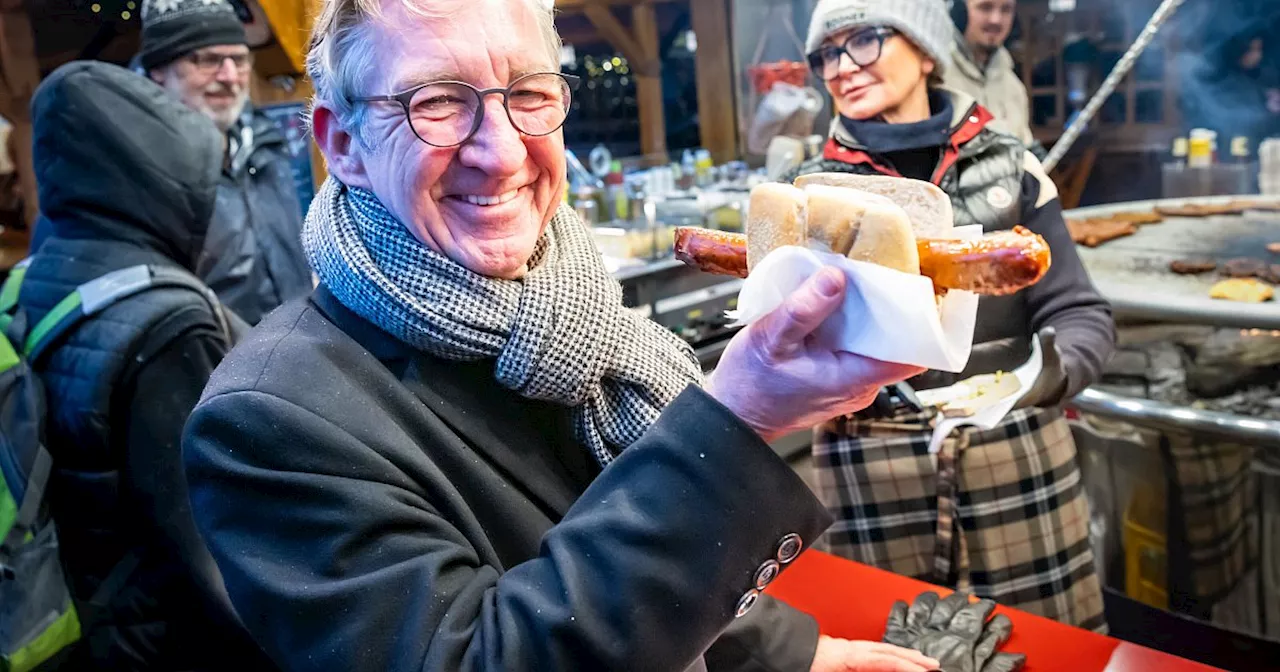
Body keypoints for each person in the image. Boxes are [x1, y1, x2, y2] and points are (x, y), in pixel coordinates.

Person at [179, 0, 946, 670]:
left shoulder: (574, 314)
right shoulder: (268, 419)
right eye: (438, 101)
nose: (503, 151)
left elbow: (638, 560)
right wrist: (737, 415)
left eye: (528, 93)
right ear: (341, 145)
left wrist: (787, 655)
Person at [796, 0, 1115, 631]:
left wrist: (1043, 381)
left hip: (1015, 448)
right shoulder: (811, 190)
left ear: (924, 48)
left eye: (863, 41)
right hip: (872, 458)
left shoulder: (1012, 167)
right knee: (891, 652)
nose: (841, 67)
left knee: (1046, 648)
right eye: (827, 54)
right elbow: (793, 335)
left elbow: (1078, 308)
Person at [17, 61, 273, 670]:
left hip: (91, 616)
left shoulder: (41, 277)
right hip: (171, 641)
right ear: (157, 178)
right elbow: (221, 552)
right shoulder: (165, 322)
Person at [136, 0, 313, 324]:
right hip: (214, 368)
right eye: (208, 60)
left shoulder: (264, 143)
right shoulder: (134, 167)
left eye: (240, 59)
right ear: (159, 70)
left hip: (297, 353)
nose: (230, 76)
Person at [944, 0, 1038, 153]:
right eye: (985, 7)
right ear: (959, 11)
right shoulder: (936, 77)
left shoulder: (1015, 89)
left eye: (1006, 9)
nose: (996, 19)